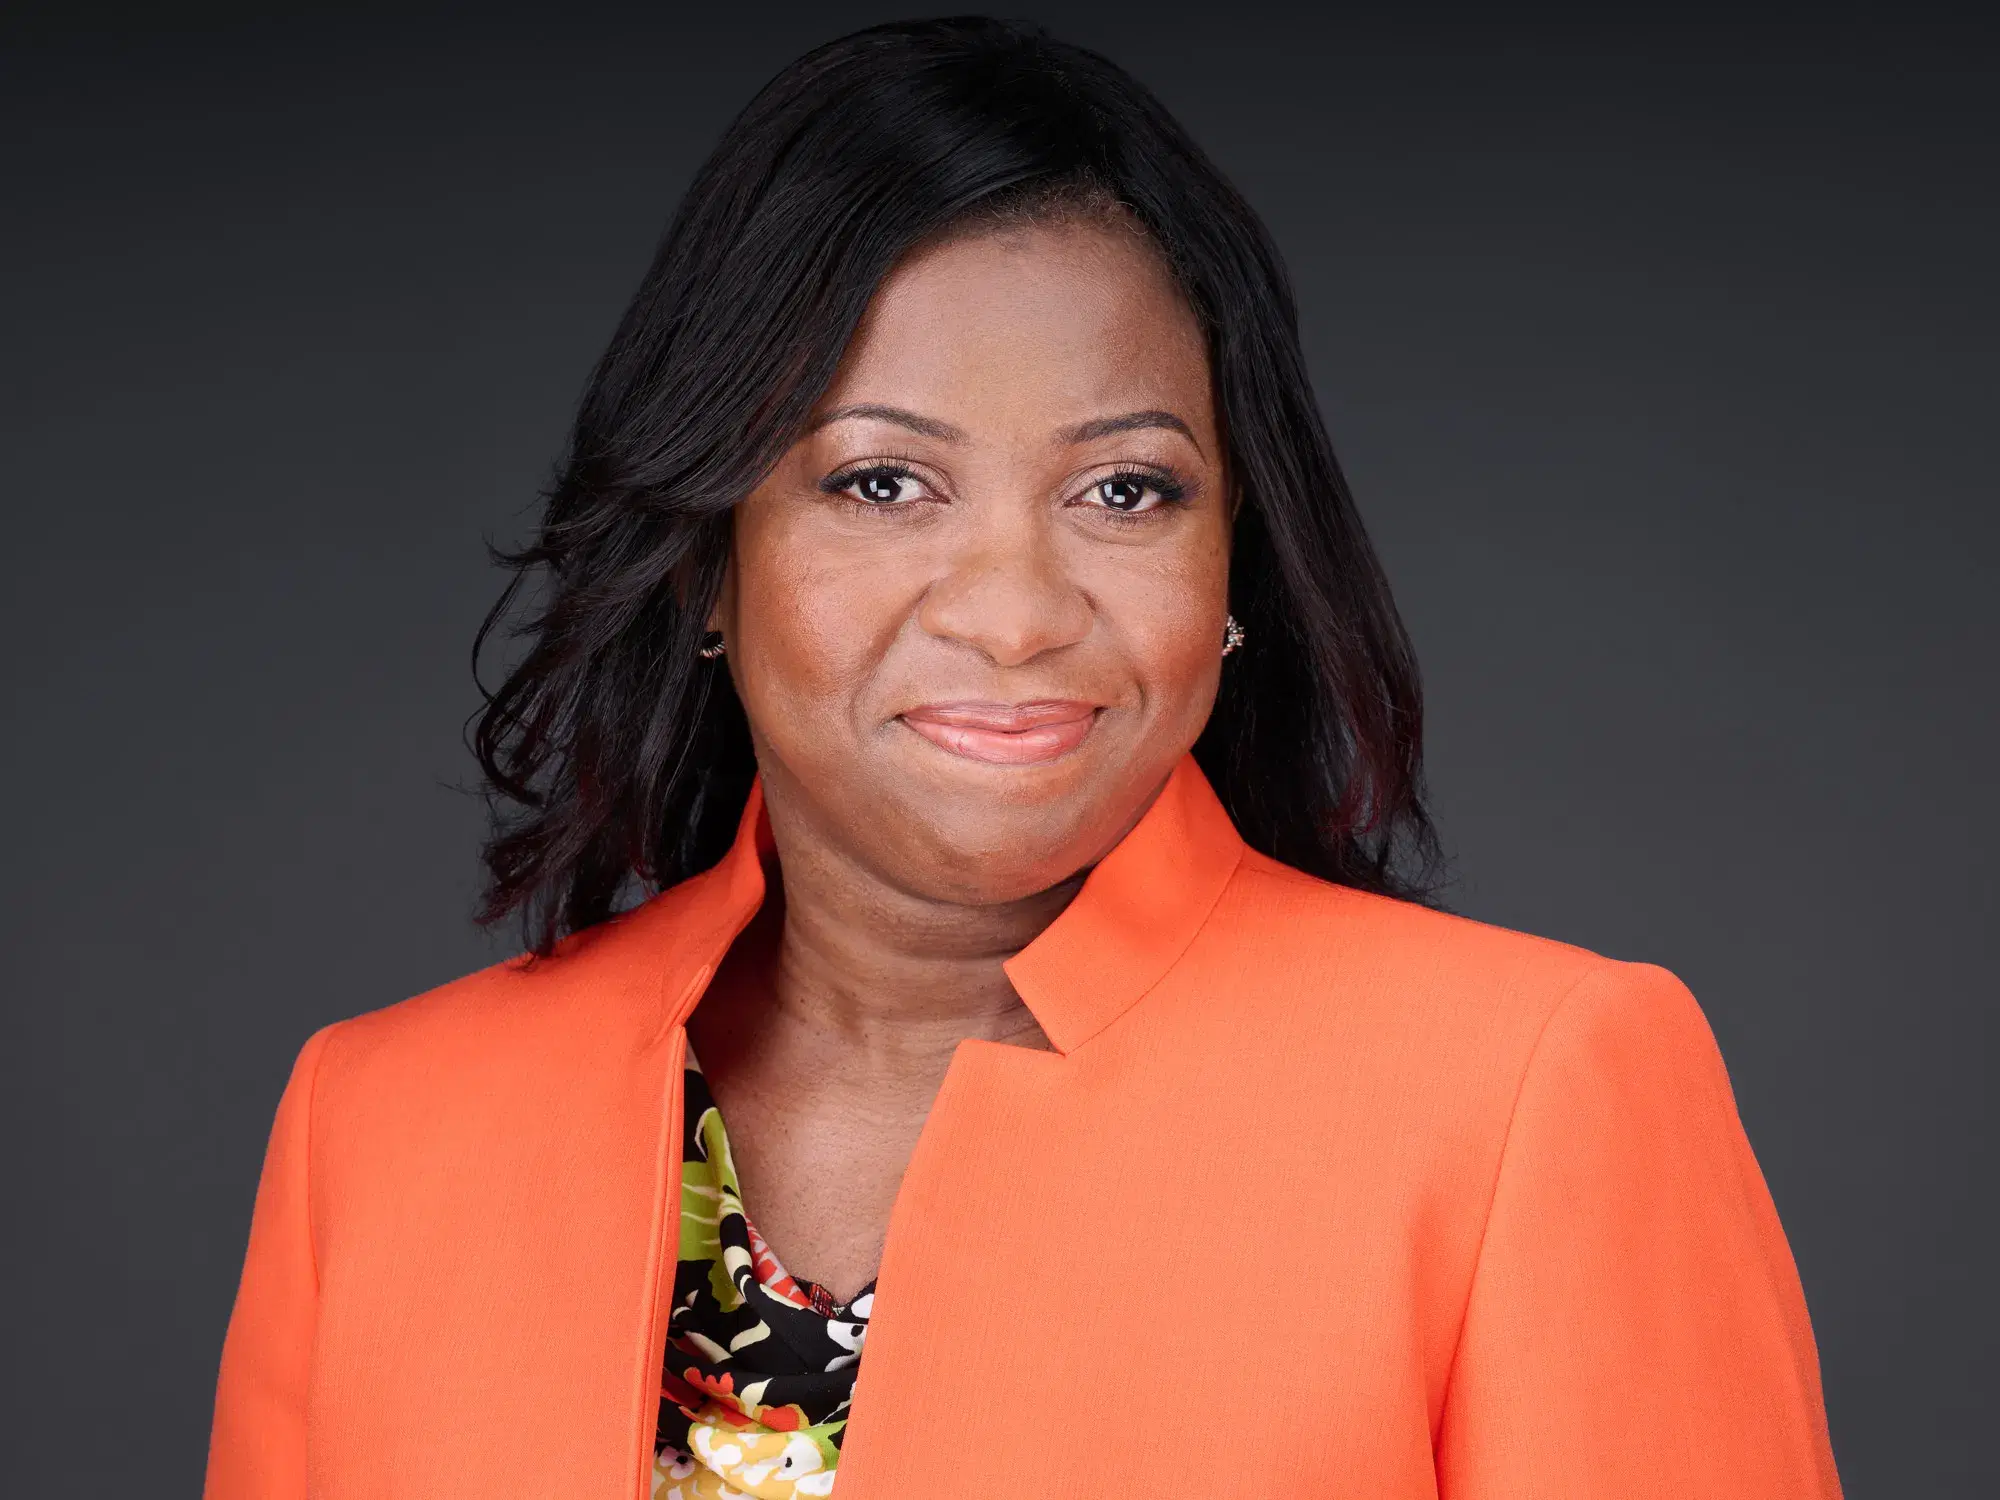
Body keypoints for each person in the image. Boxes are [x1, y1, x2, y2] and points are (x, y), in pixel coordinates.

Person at [203, 17, 1842, 1500]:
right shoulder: (385, 1126)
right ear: (709, 558)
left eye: (1124, 490)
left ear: (1237, 560)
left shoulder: (1529, 1097)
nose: (1013, 616)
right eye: (881, 484)